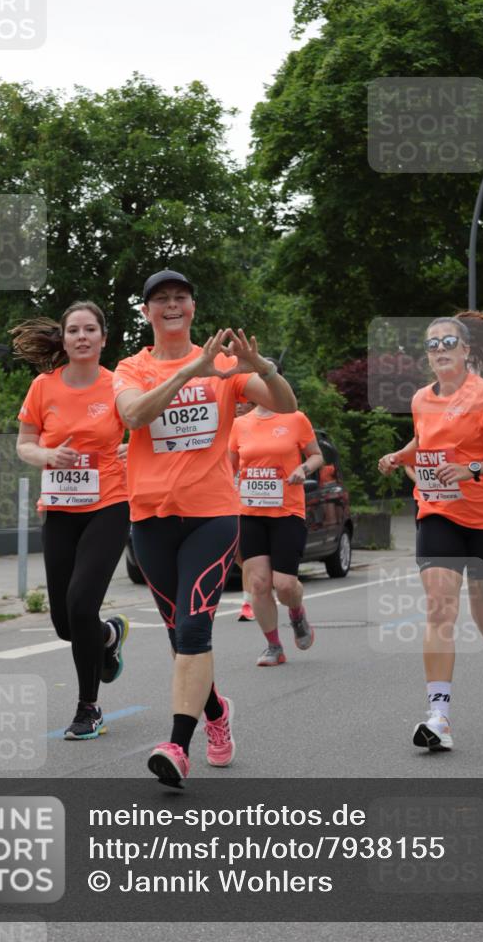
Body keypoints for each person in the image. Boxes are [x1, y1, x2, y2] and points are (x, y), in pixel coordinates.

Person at [113, 269, 297, 786]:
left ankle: (177, 745)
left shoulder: (223, 365)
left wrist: (261, 367)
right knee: (180, 636)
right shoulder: (130, 368)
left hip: (212, 514)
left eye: (181, 298)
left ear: (192, 307)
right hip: (150, 518)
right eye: (161, 299)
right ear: (147, 312)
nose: (172, 305)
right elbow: (134, 416)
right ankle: (216, 713)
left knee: (195, 628)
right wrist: (189, 370)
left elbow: (285, 404)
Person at [378, 313, 483, 752]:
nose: (441, 349)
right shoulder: (422, 399)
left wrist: (473, 469)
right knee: (440, 610)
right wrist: (398, 455)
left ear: (467, 350)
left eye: (449, 342)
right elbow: (424, 441)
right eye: (433, 344)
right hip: (439, 512)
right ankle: (439, 717)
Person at [14, 302, 130, 740]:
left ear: (103, 338)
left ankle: (89, 708)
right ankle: (106, 637)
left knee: (82, 602)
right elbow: (25, 443)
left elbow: (143, 425)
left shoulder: (118, 384)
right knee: (66, 623)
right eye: (73, 330)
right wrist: (46, 454)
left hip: (109, 505)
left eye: (90, 329)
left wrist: (129, 446)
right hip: (60, 509)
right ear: (63, 339)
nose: (81, 337)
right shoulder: (43, 387)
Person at [228, 370, 323, 665]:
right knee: (258, 583)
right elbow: (229, 467)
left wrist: (303, 470)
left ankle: (296, 613)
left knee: (284, 585)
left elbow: (317, 455)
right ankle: (273, 646)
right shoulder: (239, 424)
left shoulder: (295, 418)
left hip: (287, 512)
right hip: (250, 513)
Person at [234, 400, 256, 621]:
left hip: (251, 495)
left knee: (248, 551)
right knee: (235, 552)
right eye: (237, 403)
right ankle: (258, 581)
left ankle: (247, 602)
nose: (240, 406)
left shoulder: (256, 425)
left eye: (245, 403)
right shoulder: (227, 426)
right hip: (227, 493)